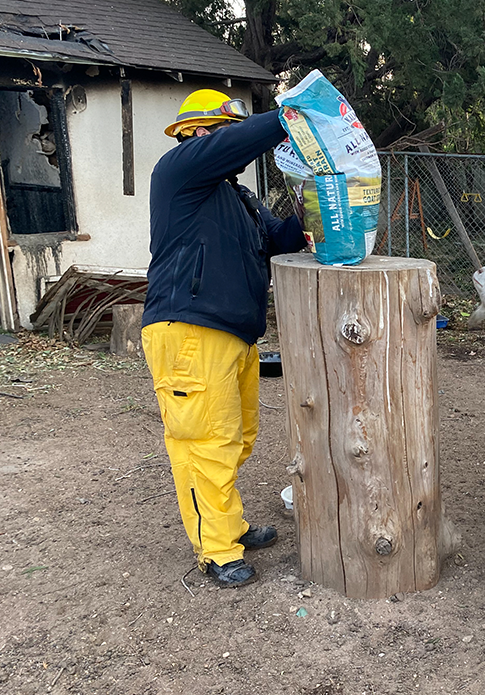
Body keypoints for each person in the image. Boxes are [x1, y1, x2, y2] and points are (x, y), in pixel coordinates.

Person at [142, 89, 307, 588]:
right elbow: (232, 144)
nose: (227, 141)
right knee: (204, 443)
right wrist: (289, 118)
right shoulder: (178, 172)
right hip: (189, 329)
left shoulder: (240, 199)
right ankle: (215, 550)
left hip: (236, 335)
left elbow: (282, 240)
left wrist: (311, 205)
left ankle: (229, 524)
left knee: (236, 439)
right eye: (220, 130)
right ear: (195, 133)